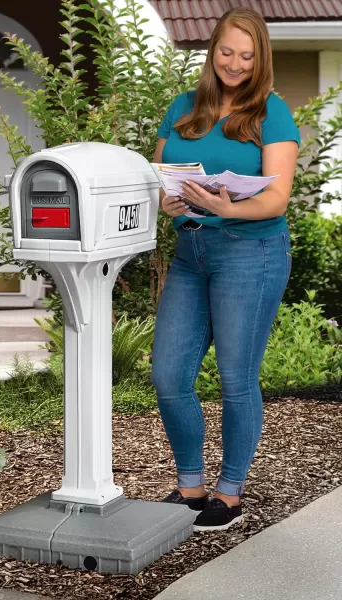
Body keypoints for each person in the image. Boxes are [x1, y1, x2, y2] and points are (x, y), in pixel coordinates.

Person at [152, 7, 299, 532]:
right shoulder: (183, 107)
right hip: (191, 253)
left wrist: (227, 207)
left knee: (236, 379)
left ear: (260, 60)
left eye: (246, 55)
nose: (234, 64)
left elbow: (277, 198)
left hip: (250, 252)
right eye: (226, 52)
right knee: (168, 376)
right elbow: (163, 176)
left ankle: (230, 492)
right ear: (211, 50)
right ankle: (190, 487)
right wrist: (168, 203)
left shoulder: (271, 112)